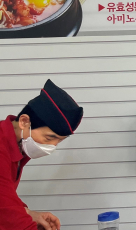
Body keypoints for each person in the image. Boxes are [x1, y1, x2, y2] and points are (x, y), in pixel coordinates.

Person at [0, 80, 83, 230]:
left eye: (59, 141)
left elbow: (6, 196)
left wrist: (28, 214)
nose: (52, 147)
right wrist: (26, 221)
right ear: (24, 122)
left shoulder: (16, 145)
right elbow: (6, 212)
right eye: (49, 138)